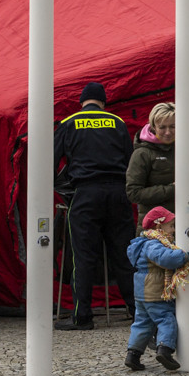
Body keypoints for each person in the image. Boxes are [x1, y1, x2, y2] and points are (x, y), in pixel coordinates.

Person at [53, 82, 138, 330]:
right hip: (117, 193)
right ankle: (136, 312)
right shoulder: (117, 123)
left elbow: (51, 162)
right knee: (124, 256)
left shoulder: (68, 123)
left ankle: (83, 317)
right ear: (103, 102)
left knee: (84, 257)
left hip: (86, 194)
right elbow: (131, 161)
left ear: (82, 102)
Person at [124, 207, 189, 372]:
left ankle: (133, 354)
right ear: (158, 227)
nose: (174, 230)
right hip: (154, 291)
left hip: (141, 292)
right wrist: (187, 256)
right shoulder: (153, 244)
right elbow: (166, 259)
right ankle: (164, 350)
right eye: (171, 226)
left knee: (142, 324)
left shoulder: (142, 243)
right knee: (166, 319)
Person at [126, 102, 175, 229]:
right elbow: (133, 193)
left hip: (181, 225)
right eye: (162, 127)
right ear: (153, 127)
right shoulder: (142, 153)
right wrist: (172, 189)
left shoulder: (183, 149)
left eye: (173, 126)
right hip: (154, 230)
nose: (168, 132)